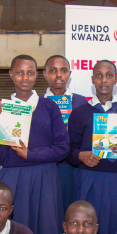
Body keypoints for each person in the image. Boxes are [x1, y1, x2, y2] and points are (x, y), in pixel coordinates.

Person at [0, 55, 69, 234]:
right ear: (10, 74)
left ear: (36, 76)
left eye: (30, 73)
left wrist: (30, 154)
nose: (25, 78)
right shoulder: (3, 108)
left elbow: (63, 148)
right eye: (19, 73)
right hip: (13, 177)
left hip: (45, 177)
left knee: (46, 230)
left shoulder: (49, 107)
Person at [67, 60, 117, 234]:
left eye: (108, 75)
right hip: (90, 179)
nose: (103, 80)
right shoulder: (80, 112)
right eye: (99, 75)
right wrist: (80, 156)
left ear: (116, 79)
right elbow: (68, 151)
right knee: (87, 233)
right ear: (92, 79)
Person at [42, 55, 89, 214]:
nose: (58, 75)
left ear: (70, 73)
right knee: (49, 212)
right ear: (44, 74)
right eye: (53, 71)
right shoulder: (36, 102)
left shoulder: (81, 102)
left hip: (74, 168)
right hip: (47, 166)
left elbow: (89, 136)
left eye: (63, 71)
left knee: (73, 212)